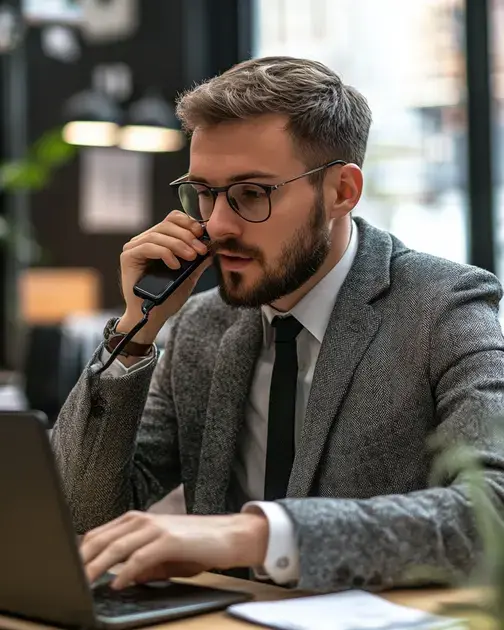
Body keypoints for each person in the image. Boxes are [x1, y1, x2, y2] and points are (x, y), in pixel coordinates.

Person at [52, 56, 504, 594]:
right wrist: (135, 329)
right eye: (204, 192)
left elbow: (490, 509)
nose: (217, 224)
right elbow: (78, 518)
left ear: (341, 192)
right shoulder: (202, 324)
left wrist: (256, 535)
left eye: (251, 194)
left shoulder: (443, 306)